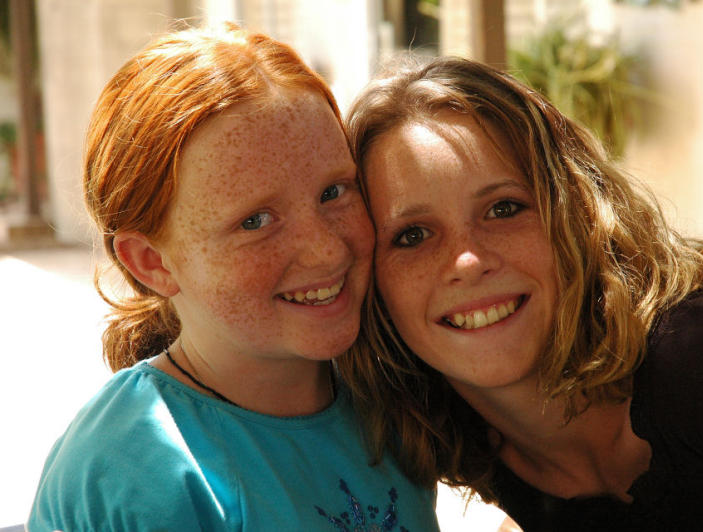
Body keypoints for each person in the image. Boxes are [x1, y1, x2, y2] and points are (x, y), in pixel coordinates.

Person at [338, 55, 703, 531]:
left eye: (503, 208)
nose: (468, 261)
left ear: (576, 212)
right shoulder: (470, 449)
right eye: (412, 235)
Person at [27, 25, 440, 532]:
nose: (327, 249)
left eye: (335, 191)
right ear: (151, 262)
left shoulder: (386, 401)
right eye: (255, 222)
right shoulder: (132, 475)